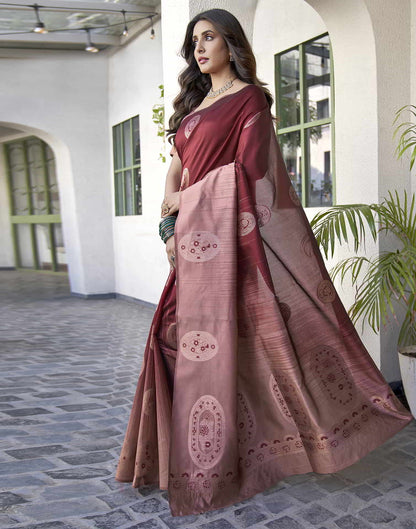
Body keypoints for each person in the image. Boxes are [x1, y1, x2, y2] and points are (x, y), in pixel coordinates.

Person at [115, 8, 414, 517]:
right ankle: (180, 458)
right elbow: (177, 168)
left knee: (232, 352)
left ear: (231, 43)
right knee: (172, 341)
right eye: (194, 41)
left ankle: (238, 458)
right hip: (189, 242)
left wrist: (187, 203)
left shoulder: (249, 100)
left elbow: (251, 175)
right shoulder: (193, 105)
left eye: (209, 37)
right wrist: (169, 221)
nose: (199, 48)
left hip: (226, 243)